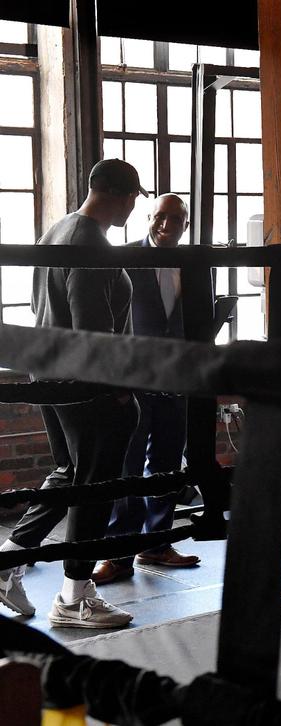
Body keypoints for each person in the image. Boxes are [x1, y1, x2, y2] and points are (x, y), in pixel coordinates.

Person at [0, 159, 146, 628]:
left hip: (50, 374)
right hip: (86, 383)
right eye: (133, 200)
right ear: (123, 196)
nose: (131, 210)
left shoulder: (58, 229)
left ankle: (7, 561)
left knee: (69, 473)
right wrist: (118, 389)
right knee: (95, 485)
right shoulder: (90, 242)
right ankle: (74, 594)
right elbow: (91, 327)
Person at [92, 194, 200, 586]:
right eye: (160, 216)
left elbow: (199, 320)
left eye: (176, 218)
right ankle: (119, 555)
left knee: (169, 465)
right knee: (128, 466)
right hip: (133, 382)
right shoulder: (122, 258)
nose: (167, 224)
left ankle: (157, 543)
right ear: (147, 219)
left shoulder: (195, 263)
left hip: (177, 381)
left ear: (186, 225)